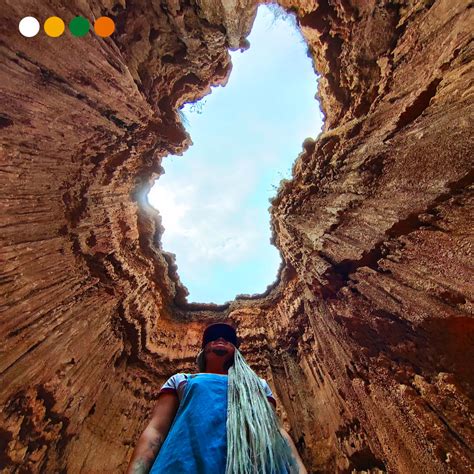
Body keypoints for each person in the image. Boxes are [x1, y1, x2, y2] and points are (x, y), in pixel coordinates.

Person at [126, 323, 307, 474]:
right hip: (181, 466)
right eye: (213, 338)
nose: (220, 339)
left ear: (236, 351)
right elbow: (156, 430)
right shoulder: (181, 380)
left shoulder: (258, 385)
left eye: (227, 339)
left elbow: (275, 431)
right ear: (203, 350)